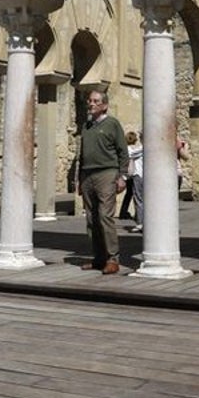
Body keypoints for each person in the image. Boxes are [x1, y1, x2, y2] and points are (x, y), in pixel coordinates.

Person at [76, 90, 128, 274]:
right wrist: (79, 180)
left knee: (105, 216)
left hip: (107, 173)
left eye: (96, 101)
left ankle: (113, 259)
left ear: (104, 105)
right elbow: (81, 156)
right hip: (88, 176)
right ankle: (98, 258)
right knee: (91, 219)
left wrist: (122, 176)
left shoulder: (112, 124)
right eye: (89, 101)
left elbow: (123, 151)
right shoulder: (86, 126)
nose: (91, 104)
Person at [119, 130, 139, 220]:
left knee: (129, 194)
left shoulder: (124, 149)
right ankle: (126, 212)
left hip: (125, 175)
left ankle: (123, 212)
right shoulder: (132, 149)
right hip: (131, 175)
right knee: (133, 194)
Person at [128, 131, 144, 233]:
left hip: (139, 175)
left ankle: (140, 223)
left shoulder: (142, 149)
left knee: (138, 199)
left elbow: (130, 154)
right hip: (145, 176)